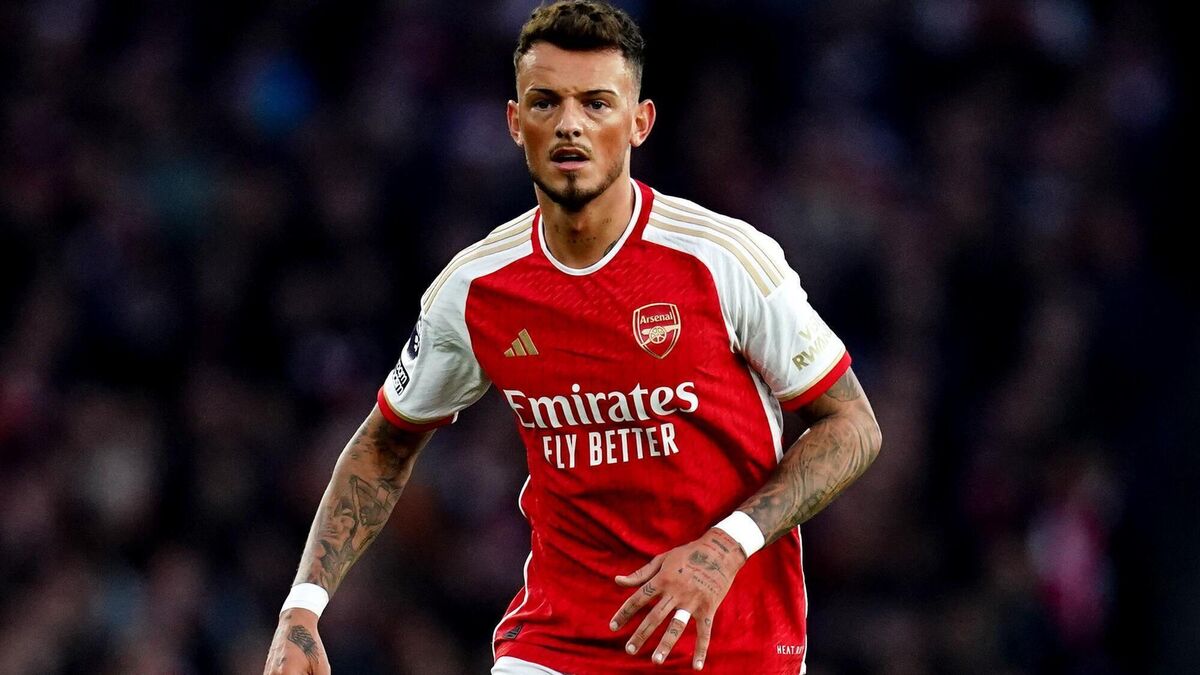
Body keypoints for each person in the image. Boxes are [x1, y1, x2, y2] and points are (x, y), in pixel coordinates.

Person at [262, 1, 882, 673]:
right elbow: (385, 443)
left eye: (596, 103)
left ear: (639, 122)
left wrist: (727, 543)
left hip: (732, 647)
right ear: (514, 122)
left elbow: (853, 425)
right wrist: (303, 606)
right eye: (545, 102)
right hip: (558, 645)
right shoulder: (476, 287)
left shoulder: (722, 258)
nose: (569, 124)